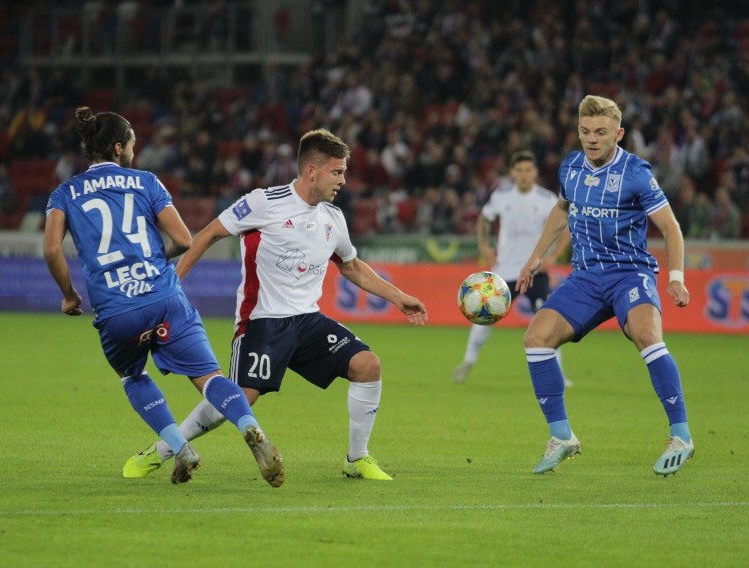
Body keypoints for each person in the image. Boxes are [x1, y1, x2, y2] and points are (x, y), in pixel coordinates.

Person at [124, 128, 429, 481]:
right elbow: (207, 234)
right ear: (311, 171)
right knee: (240, 399)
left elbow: (351, 267)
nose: (343, 180)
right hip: (262, 322)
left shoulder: (333, 218)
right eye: (337, 172)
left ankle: (356, 458)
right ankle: (164, 449)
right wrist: (172, 284)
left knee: (367, 365)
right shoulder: (263, 203)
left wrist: (399, 297)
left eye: (343, 172)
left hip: (308, 322)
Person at [43, 106, 284, 487]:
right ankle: (252, 428)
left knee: (132, 375)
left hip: (117, 308)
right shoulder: (147, 183)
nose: (135, 152)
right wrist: (153, 257)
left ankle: (178, 445)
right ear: (119, 148)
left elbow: (53, 250)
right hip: (164, 296)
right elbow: (185, 240)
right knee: (210, 378)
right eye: (133, 145)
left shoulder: (64, 193)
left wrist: (70, 295)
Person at [516, 95, 694, 476]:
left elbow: (671, 228)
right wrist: (537, 256)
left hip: (630, 273)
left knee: (647, 335)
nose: (591, 139)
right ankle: (562, 437)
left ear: (619, 133)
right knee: (536, 338)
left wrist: (676, 277)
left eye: (600, 132)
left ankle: (680, 435)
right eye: (585, 131)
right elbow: (561, 211)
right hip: (586, 277)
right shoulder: (570, 168)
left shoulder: (636, 172)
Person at [452, 150, 571, 384]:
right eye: (520, 170)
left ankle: (559, 374)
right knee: (483, 317)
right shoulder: (501, 197)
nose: (524, 175)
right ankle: (468, 360)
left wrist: (555, 255)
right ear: (512, 173)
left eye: (528, 170)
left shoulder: (548, 199)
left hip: (536, 273)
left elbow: (565, 224)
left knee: (548, 322)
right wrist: (484, 246)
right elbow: (484, 219)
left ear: (535, 172)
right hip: (504, 272)